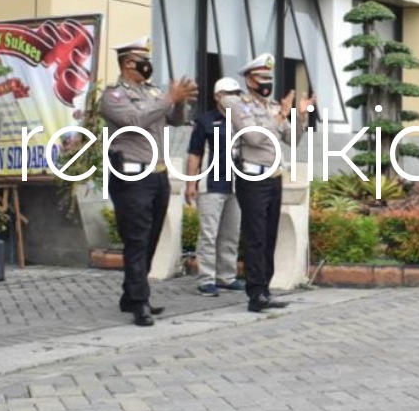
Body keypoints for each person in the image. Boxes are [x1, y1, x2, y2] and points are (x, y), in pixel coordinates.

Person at [101, 37, 196, 326]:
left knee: (152, 237)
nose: (148, 65)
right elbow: (135, 120)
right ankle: (140, 302)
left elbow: (176, 120)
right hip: (132, 175)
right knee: (137, 239)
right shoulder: (114, 95)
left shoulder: (153, 92)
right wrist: (168, 99)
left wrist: (179, 102)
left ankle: (131, 294)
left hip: (158, 174)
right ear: (129, 63)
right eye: (143, 60)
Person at [231, 53, 311, 312]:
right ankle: (255, 294)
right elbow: (254, 138)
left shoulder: (273, 107)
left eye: (269, 77)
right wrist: (280, 116)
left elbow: (293, 140)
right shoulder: (240, 107)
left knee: (269, 236)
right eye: (261, 78)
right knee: (255, 237)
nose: (266, 82)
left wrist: (300, 116)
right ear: (249, 80)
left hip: (274, 178)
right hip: (253, 178)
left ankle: (265, 289)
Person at [184, 77, 246, 297]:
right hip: (211, 184)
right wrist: (190, 183)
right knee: (209, 235)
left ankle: (226, 277)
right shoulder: (205, 121)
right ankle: (206, 279)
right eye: (230, 94)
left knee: (231, 234)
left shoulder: (242, 119)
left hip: (237, 185)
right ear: (218, 96)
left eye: (237, 94)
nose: (235, 98)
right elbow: (195, 154)